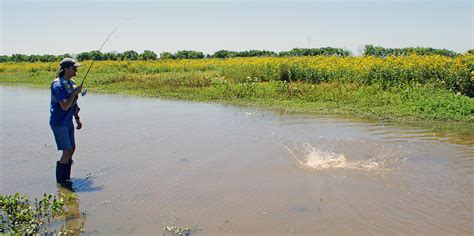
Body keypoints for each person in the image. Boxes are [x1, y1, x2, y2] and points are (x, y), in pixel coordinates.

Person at [50, 58, 84, 186]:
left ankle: (66, 179)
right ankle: (62, 183)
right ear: (66, 69)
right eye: (74, 67)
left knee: (72, 148)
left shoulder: (71, 82)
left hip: (68, 121)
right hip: (59, 122)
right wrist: (75, 92)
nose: (76, 70)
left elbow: (74, 103)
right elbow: (64, 106)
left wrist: (77, 119)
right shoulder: (57, 85)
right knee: (67, 150)